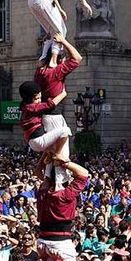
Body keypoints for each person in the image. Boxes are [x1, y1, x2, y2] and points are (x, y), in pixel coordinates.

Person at [35, 33, 83, 187]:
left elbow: (44, 59)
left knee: (55, 147)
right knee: (62, 152)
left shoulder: (40, 72)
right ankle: (59, 184)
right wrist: (63, 41)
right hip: (54, 116)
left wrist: (48, 44)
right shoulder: (54, 73)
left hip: (47, 116)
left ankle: (48, 176)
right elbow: (77, 58)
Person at [36, 158, 90, 261]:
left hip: (42, 244)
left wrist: (45, 157)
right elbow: (84, 173)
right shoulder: (65, 195)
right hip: (60, 245)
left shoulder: (42, 193)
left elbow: (39, 173)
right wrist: (63, 162)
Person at [19, 82, 71, 161]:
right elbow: (50, 105)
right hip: (38, 141)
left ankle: (49, 156)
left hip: (33, 142)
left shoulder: (24, 106)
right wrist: (63, 93)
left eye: (40, 98)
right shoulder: (31, 107)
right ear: (29, 98)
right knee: (65, 131)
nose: (39, 101)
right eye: (36, 99)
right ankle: (58, 154)